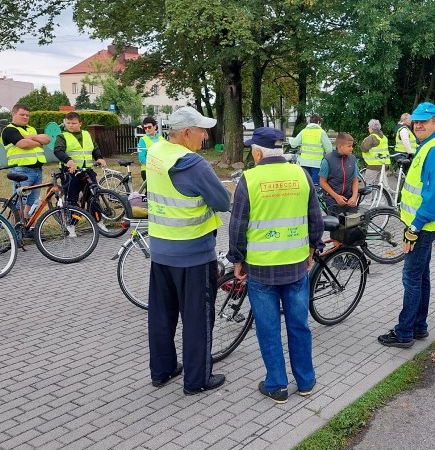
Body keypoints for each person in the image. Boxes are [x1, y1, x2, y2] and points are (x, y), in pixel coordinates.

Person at [228, 127, 324, 403]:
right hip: (295, 265)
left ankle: (277, 385)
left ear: (258, 152)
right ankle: (306, 381)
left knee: (268, 328)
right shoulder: (301, 174)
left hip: (260, 268)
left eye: (251, 150)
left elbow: (238, 225)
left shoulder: (249, 179)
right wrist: (312, 248)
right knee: (299, 325)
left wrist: (237, 258)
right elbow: (315, 218)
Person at [146, 106, 231, 393]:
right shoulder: (192, 163)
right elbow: (222, 202)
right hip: (193, 253)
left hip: (160, 250)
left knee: (162, 315)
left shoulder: (157, 152)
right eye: (201, 130)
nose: (205, 136)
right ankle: (197, 380)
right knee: (197, 318)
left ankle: (162, 369)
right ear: (185, 133)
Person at [378, 102, 435, 348]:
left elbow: (432, 202)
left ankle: (404, 333)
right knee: (421, 276)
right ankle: (419, 327)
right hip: (424, 225)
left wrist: (414, 229)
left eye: (425, 121)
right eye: (416, 121)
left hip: (423, 225)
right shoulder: (429, 145)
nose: (419, 125)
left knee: (411, 278)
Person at [0, 103, 50, 218]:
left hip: (37, 170)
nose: (25, 117)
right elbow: (23, 144)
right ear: (13, 114)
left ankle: (25, 226)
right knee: (18, 204)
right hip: (21, 171)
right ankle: (15, 230)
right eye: (22, 114)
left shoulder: (30, 129)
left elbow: (47, 139)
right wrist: (38, 141)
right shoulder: (9, 130)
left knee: (32, 202)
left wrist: (30, 137)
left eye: (27, 115)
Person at [54, 111, 107, 206]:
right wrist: (68, 160)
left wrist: (99, 158)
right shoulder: (62, 136)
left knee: (93, 195)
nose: (70, 125)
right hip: (71, 172)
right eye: (68, 123)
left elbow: (94, 148)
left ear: (80, 123)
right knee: (72, 198)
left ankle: (96, 219)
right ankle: (72, 220)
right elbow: (58, 151)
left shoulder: (87, 134)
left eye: (73, 123)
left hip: (87, 170)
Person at [321, 132, 360, 215]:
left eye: (352, 146)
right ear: (340, 146)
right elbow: (322, 182)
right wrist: (336, 197)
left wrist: (354, 197)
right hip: (332, 199)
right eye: (349, 146)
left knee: (352, 225)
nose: (352, 148)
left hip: (349, 199)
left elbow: (355, 180)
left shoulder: (352, 159)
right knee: (337, 225)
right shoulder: (327, 160)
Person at [288, 114, 332, 186]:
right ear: (318, 122)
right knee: (315, 186)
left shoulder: (304, 131)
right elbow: (329, 149)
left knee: (306, 184)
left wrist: (290, 139)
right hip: (317, 164)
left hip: (304, 163)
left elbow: (293, 144)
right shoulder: (321, 132)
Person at [360, 120, 390, 188]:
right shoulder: (384, 137)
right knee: (383, 184)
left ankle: (368, 199)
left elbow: (364, 149)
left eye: (369, 127)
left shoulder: (372, 137)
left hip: (373, 165)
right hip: (384, 163)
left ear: (371, 128)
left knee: (368, 184)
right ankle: (384, 198)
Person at [137, 116, 161, 191]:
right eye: (145, 128)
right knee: (150, 192)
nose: (147, 129)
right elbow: (141, 158)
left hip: (160, 170)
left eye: (149, 127)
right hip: (147, 170)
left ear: (155, 126)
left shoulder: (161, 138)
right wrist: (152, 167)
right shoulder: (142, 140)